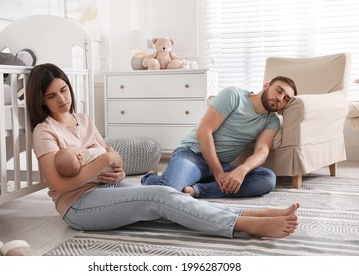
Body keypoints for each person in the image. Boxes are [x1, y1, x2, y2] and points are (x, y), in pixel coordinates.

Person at [26, 63, 299, 239]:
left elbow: (110, 154)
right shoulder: (44, 131)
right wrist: (100, 165)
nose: (62, 99)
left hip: (107, 190)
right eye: (51, 96)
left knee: (168, 196)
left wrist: (117, 169)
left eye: (63, 90)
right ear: (41, 100)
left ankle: (249, 214)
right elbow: (59, 184)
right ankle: (242, 225)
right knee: (160, 196)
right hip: (78, 205)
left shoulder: (83, 119)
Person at [141, 76, 297, 199]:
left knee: (267, 179)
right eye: (279, 91)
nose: (280, 98)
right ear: (266, 86)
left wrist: (242, 170)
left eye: (286, 99)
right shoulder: (234, 95)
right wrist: (218, 174)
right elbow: (203, 132)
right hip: (192, 154)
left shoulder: (272, 120)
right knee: (168, 191)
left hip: (221, 164)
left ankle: (197, 190)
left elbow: (262, 152)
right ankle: (150, 178)